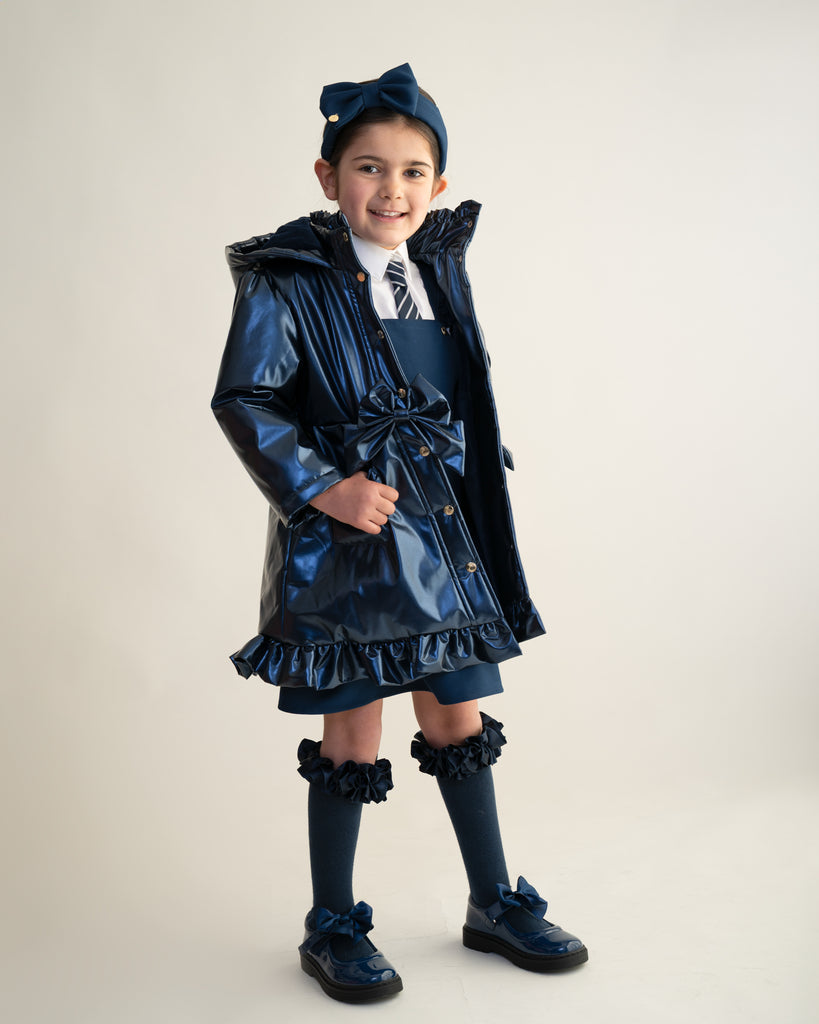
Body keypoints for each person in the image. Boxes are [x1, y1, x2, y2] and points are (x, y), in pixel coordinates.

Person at [212, 63, 587, 1004]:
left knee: (457, 713)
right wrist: (323, 487)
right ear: (328, 176)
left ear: (438, 184)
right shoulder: (287, 280)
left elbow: (459, 394)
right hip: (352, 543)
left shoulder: (440, 270)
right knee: (354, 727)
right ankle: (332, 922)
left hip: (445, 538)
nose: (392, 190)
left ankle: (492, 901)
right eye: (369, 168)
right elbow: (246, 397)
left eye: (413, 171)